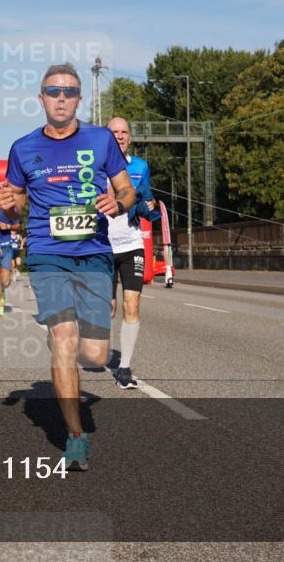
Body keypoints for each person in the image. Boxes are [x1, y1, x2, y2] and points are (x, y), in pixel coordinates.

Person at [0, 63, 135, 470]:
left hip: (94, 251)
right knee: (64, 339)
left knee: (93, 356)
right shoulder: (22, 147)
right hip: (47, 252)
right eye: (54, 91)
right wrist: (11, 205)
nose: (62, 98)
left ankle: (68, 345)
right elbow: (18, 201)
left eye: (70, 92)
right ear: (41, 99)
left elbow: (126, 188)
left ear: (79, 99)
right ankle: (76, 438)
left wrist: (119, 202)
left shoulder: (101, 139)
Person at [106, 117, 163, 389]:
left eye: (124, 132)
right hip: (101, 246)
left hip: (131, 244)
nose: (119, 136)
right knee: (107, 308)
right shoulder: (92, 166)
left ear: (130, 137)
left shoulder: (140, 166)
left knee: (132, 304)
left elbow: (145, 204)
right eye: (114, 132)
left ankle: (124, 368)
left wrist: (149, 208)